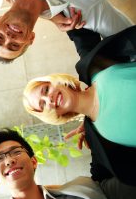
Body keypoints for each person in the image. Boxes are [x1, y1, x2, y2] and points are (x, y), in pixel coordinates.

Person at [23, 26, 136, 186]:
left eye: (46, 90)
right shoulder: (97, 139)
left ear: (55, 81)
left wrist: (50, 14)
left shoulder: (94, 66)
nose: (49, 99)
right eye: (43, 104)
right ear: (50, 115)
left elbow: (78, 29)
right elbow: (98, 184)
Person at [0, 128, 130, 199]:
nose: (9, 160)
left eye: (16, 151)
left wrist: (97, 133)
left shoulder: (84, 190)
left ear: (34, 161)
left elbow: (128, 185)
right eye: (0, 158)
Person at [0, 0, 134, 63]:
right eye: (14, 45)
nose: (9, 37)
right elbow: (131, 43)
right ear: (31, 38)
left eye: (0, 37)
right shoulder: (80, 14)